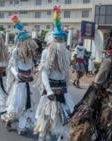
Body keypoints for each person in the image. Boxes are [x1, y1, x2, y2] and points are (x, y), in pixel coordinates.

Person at [33, 4, 75, 141]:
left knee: (65, 118)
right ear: (53, 40)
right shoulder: (47, 52)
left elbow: (66, 73)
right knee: (45, 119)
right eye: (57, 39)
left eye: (61, 40)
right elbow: (44, 72)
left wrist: (66, 90)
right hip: (50, 93)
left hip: (62, 91)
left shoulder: (66, 52)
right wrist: (49, 90)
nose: (59, 42)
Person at [1, 14, 40, 135]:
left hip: (29, 82)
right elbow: (11, 66)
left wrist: (34, 73)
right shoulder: (15, 51)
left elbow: (32, 65)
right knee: (17, 105)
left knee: (28, 106)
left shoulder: (30, 52)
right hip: (20, 83)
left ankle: (22, 127)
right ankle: (8, 118)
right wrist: (17, 75)